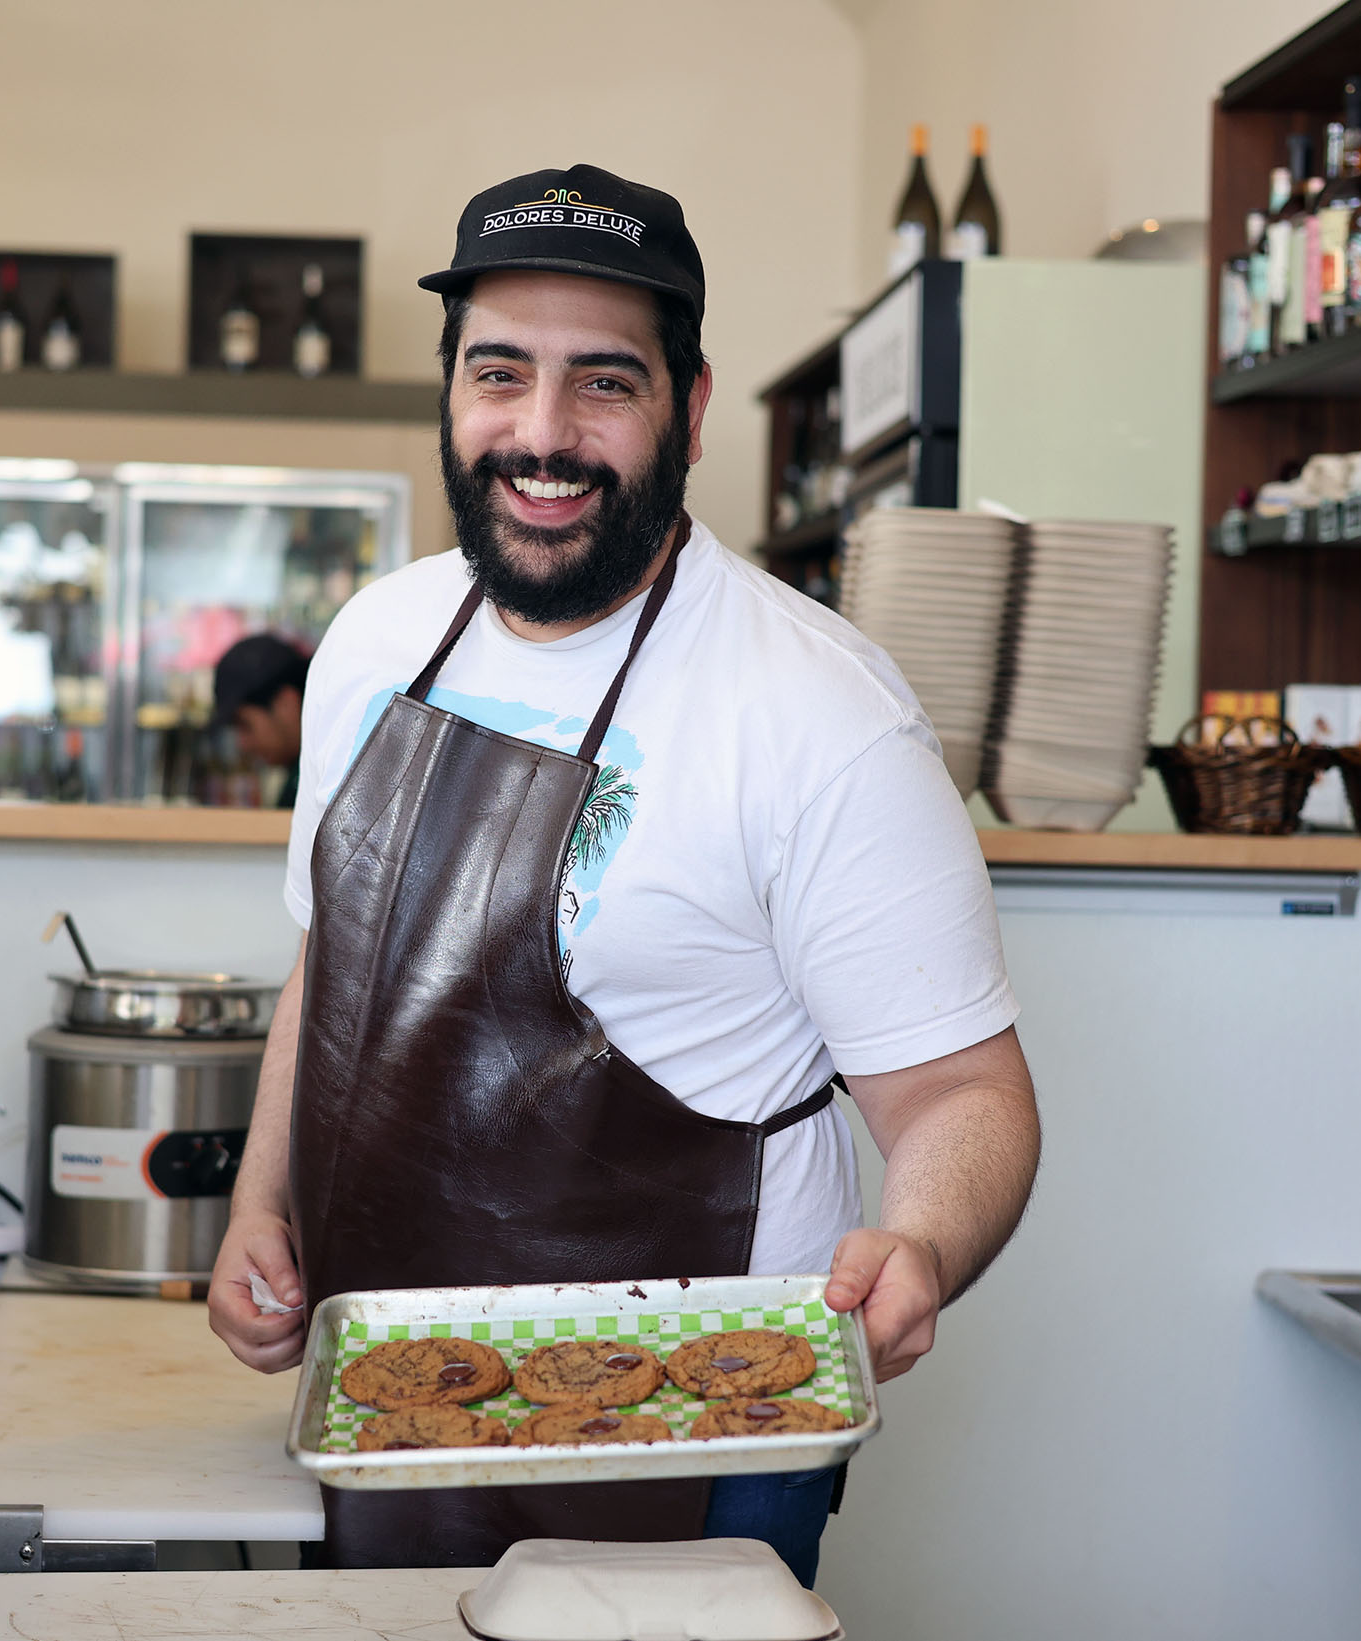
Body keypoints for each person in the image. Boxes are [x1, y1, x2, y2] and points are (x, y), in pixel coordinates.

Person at [207, 163, 1039, 1584]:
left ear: (690, 407)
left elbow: (966, 1095)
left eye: (603, 382)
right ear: (450, 390)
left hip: (699, 1426)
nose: (541, 433)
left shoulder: (821, 711)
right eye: (499, 373)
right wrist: (258, 1211)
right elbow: (328, 966)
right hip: (390, 1392)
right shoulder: (371, 642)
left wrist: (920, 1245)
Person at [213, 633, 309, 808]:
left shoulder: (320, 784)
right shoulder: (303, 774)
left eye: (245, 725)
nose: (243, 744)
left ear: (286, 704)